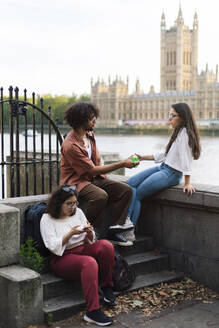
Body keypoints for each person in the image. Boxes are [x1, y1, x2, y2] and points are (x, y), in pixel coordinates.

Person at [60, 102, 139, 246]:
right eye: (91, 118)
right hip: (76, 181)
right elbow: (90, 169)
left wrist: (104, 175)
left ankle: (113, 230)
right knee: (100, 196)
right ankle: (87, 229)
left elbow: (95, 163)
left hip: (92, 179)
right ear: (80, 121)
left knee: (126, 190)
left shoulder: (89, 135)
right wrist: (122, 163)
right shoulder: (70, 145)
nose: (95, 121)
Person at [124, 102, 201, 242]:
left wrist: (187, 182)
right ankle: (125, 222)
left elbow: (186, 160)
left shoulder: (185, 135)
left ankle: (129, 229)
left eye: (172, 115)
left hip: (171, 174)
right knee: (130, 184)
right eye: (169, 115)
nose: (169, 118)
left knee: (138, 193)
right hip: (163, 167)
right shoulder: (177, 132)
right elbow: (165, 154)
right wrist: (143, 157)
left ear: (182, 117)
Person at [40, 185, 115, 326]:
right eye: (69, 204)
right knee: (89, 263)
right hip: (62, 258)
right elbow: (51, 245)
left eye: (75, 203)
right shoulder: (47, 219)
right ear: (58, 203)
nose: (73, 207)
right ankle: (92, 311)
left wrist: (89, 233)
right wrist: (70, 234)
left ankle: (106, 287)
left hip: (82, 249)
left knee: (106, 246)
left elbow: (91, 240)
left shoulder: (78, 212)